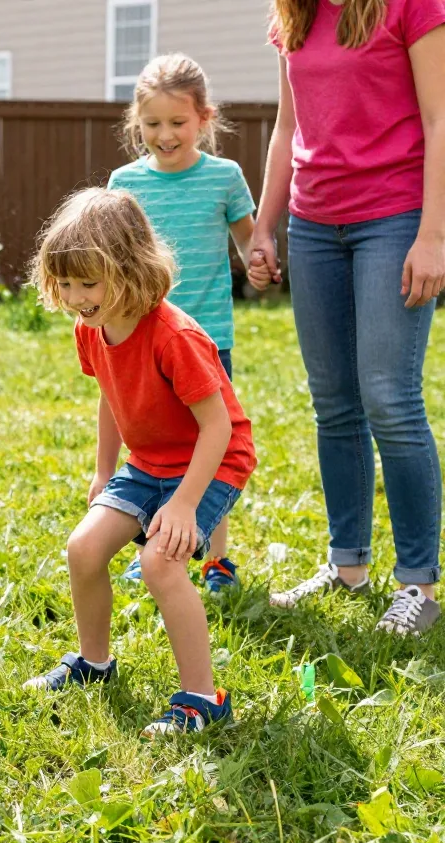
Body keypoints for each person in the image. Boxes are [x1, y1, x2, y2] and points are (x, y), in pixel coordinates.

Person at [23, 188, 257, 736]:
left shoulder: (173, 335)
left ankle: (203, 698)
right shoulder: (92, 328)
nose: (78, 297)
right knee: (83, 547)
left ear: (129, 267)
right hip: (148, 462)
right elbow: (109, 394)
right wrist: (105, 470)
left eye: (89, 281)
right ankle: (94, 663)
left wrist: (183, 503)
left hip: (211, 461)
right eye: (67, 283)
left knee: (160, 563)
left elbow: (219, 426)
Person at [253, 0, 445, 634]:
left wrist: (434, 237)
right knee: (333, 402)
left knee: (389, 396)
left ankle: (418, 584)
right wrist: (265, 225)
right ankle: (347, 566)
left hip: (393, 217)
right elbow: (288, 128)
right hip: (314, 224)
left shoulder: (413, 6)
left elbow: (440, 117)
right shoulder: (293, 13)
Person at [108, 53, 273, 593]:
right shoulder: (124, 181)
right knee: (155, 447)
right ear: (137, 123)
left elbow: (249, 241)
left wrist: (260, 262)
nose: (165, 134)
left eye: (177, 122)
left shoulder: (224, 177)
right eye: (152, 123)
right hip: (143, 339)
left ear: (205, 118)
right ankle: (155, 541)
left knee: (209, 447)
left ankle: (215, 557)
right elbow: (112, 254)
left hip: (207, 341)